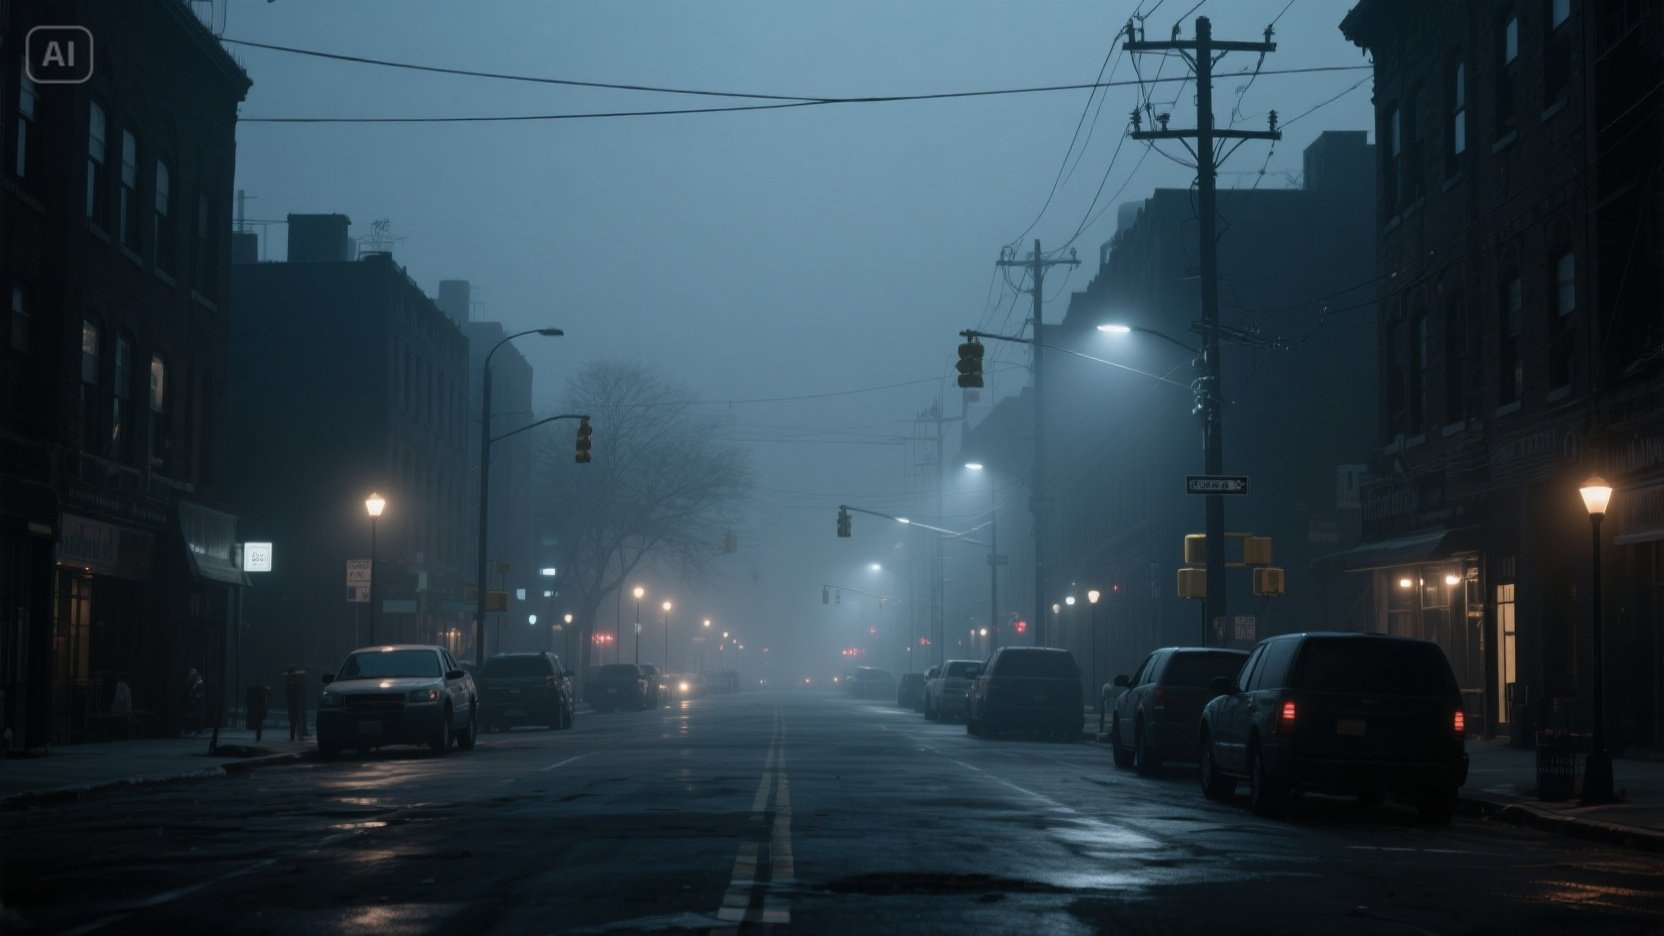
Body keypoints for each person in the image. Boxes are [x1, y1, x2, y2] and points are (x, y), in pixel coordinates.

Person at [182, 667, 205, 736]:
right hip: (191, 701)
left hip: (196, 701)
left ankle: (196, 730)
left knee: (196, 716)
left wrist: (194, 695)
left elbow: (199, 692)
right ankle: (190, 730)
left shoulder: (198, 681)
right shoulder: (192, 680)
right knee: (190, 716)